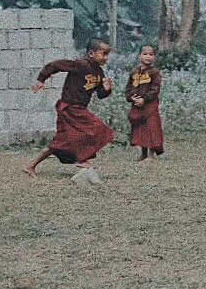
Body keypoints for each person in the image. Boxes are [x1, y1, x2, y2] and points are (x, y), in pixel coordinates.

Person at [24, 38, 115, 183]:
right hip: (69, 107)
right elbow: (55, 65)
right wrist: (41, 79)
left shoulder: (99, 73)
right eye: (103, 54)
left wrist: (107, 89)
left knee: (60, 143)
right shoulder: (80, 65)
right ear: (91, 53)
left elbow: (100, 94)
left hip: (79, 109)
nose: (105, 58)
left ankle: (30, 166)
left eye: (107, 55)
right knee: (99, 128)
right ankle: (83, 159)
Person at [125, 44, 165, 161]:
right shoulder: (134, 72)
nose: (148, 56)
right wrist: (132, 98)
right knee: (140, 129)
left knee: (152, 128)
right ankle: (143, 153)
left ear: (154, 57)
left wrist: (144, 99)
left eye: (151, 54)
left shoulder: (155, 72)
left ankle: (151, 155)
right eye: (145, 54)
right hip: (137, 106)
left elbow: (155, 89)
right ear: (139, 56)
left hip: (149, 106)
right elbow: (128, 88)